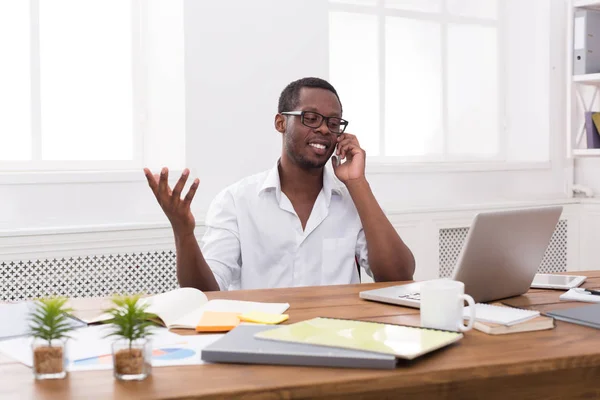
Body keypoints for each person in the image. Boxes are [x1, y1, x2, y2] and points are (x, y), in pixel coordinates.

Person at [144, 77, 415, 291]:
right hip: (259, 341)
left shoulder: (351, 200)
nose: (323, 129)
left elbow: (399, 276)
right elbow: (205, 292)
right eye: (310, 118)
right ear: (280, 123)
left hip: (337, 339)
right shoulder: (236, 202)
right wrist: (183, 233)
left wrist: (358, 182)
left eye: (333, 123)